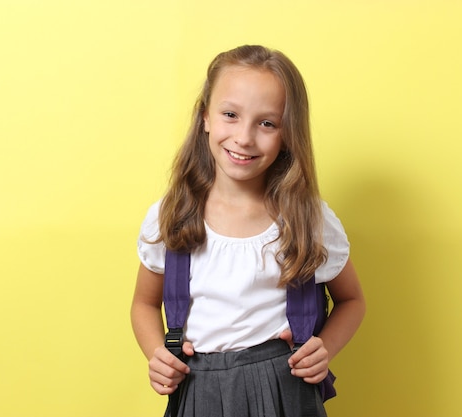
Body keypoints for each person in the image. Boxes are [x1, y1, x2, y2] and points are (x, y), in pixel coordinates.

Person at [130, 44, 365, 417]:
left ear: (288, 134)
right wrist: (157, 353)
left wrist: (325, 348)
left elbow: (352, 300)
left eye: (267, 123)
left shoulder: (308, 218)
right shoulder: (171, 215)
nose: (244, 137)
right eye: (230, 114)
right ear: (205, 116)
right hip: (197, 387)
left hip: (284, 388)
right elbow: (144, 302)